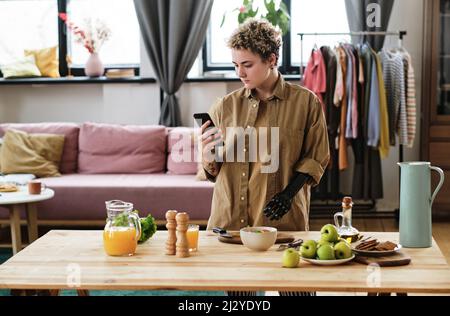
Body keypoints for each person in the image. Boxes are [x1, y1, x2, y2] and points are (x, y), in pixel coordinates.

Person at [200, 19, 330, 295]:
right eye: (235, 65)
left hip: (284, 224)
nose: (240, 73)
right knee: (240, 299)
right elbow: (213, 171)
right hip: (232, 224)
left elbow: (316, 158)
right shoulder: (224, 106)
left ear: (271, 59)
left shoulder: (306, 103)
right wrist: (206, 153)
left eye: (247, 65)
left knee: (297, 291)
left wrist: (288, 194)